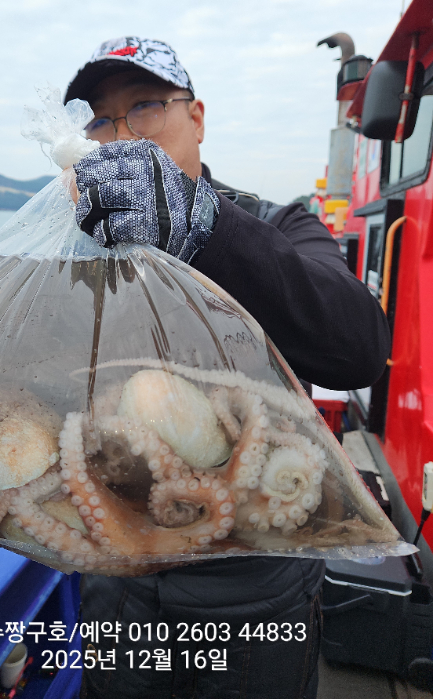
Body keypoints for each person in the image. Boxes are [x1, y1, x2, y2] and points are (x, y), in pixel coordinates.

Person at [63, 36, 390, 699]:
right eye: (100, 120)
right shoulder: (81, 254)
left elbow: (358, 344)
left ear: (197, 117)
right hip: (117, 581)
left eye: (146, 106)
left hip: (256, 591)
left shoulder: (277, 225)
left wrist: (206, 227)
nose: (123, 134)